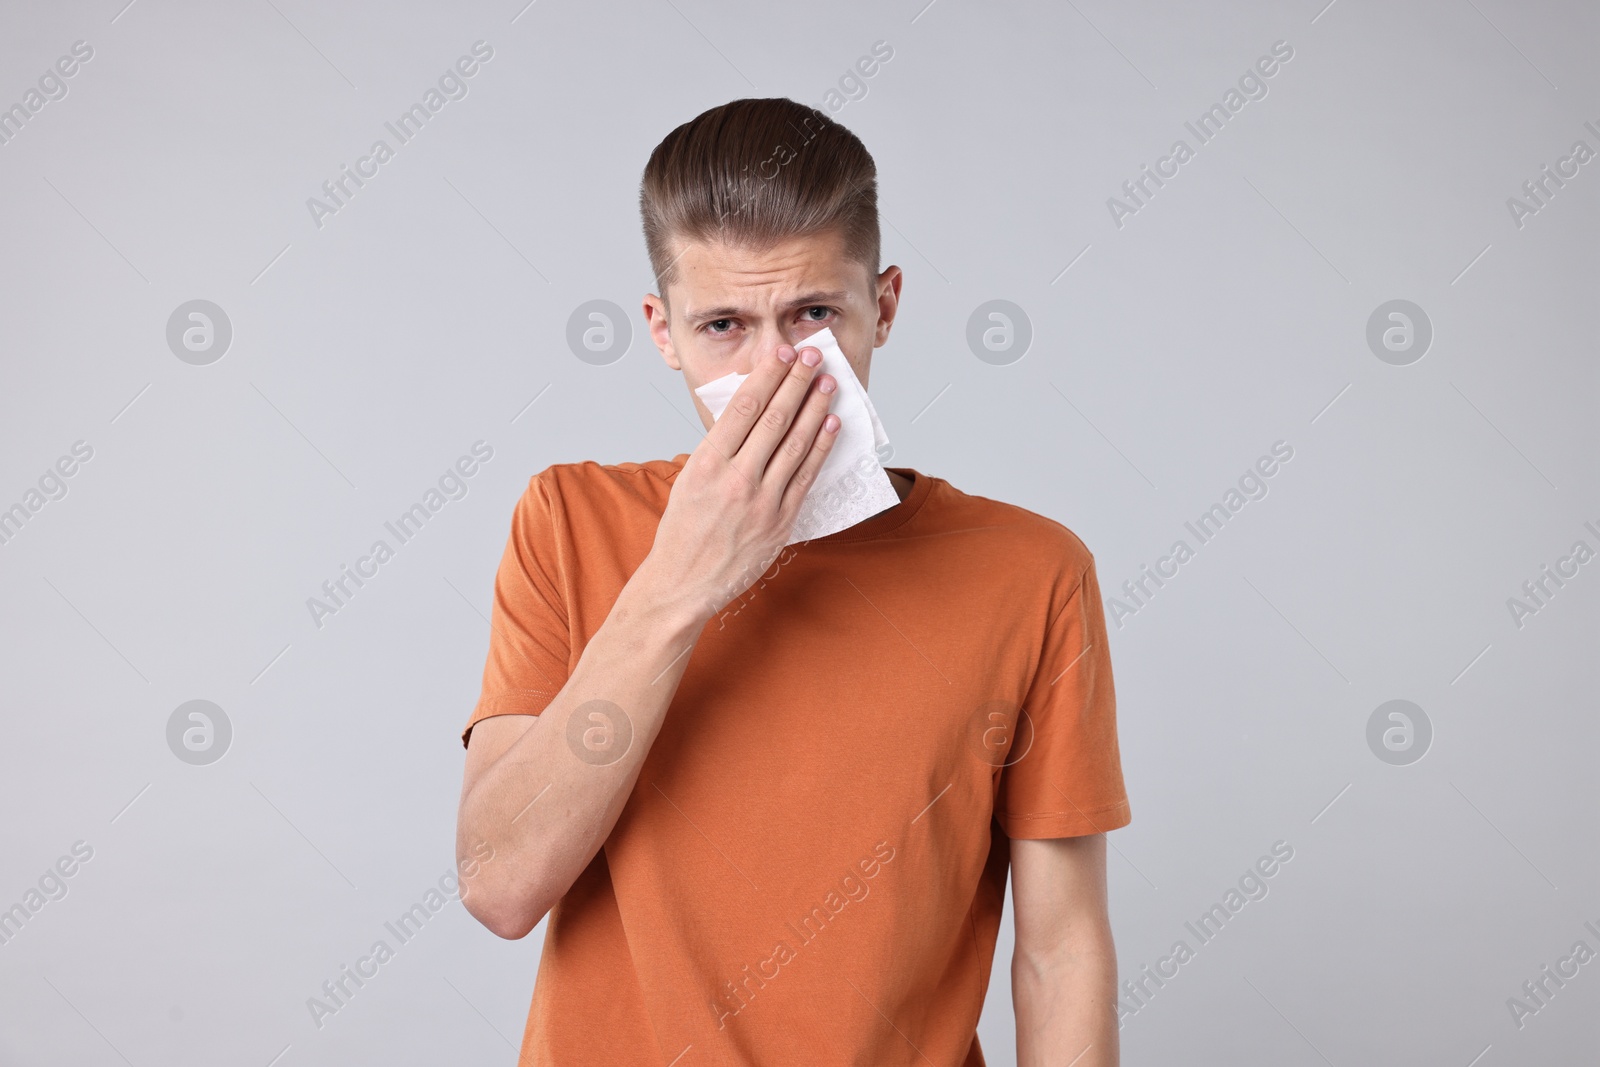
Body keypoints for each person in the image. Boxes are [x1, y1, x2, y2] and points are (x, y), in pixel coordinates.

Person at [454, 97, 1131, 1066]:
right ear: (663, 330)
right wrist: (682, 580)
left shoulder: (1030, 571)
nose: (777, 371)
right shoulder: (568, 522)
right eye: (723, 324)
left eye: (813, 314)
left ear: (883, 306)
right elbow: (500, 883)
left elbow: (1061, 951)